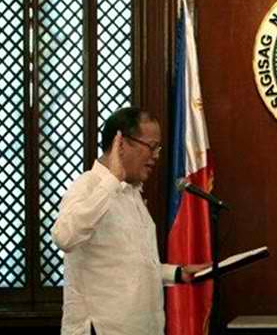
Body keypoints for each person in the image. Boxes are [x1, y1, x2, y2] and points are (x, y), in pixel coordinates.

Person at [52, 107, 206, 335]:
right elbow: (64, 237)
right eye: (151, 147)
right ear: (120, 143)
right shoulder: (87, 185)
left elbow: (132, 266)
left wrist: (177, 273)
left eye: (158, 148)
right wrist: (111, 181)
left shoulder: (132, 194)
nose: (156, 156)